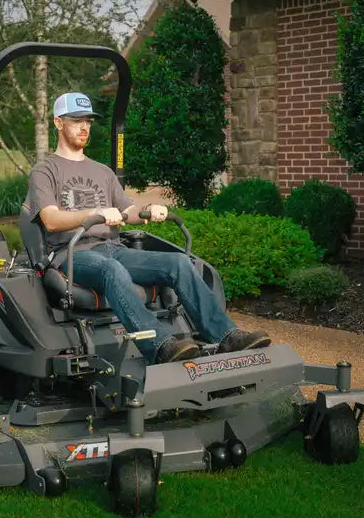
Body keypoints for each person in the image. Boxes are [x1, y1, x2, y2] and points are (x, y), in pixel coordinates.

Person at [28, 92, 271, 364]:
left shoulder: (102, 172)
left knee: (179, 263)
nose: (84, 127)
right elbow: (50, 219)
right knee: (111, 270)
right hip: (73, 254)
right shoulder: (45, 171)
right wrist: (95, 213)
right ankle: (160, 346)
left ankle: (226, 336)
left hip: (114, 249)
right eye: (76, 121)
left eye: (87, 121)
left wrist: (148, 210)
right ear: (58, 123)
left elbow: (127, 210)